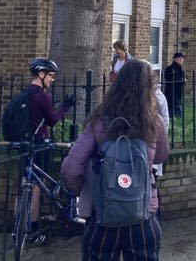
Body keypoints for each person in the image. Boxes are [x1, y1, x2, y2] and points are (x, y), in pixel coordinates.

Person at [60, 59, 169, 260]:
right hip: (143, 214)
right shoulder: (155, 122)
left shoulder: (99, 121)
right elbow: (161, 156)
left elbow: (70, 170)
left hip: (103, 216)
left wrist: (91, 189)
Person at [24, 58, 75, 241]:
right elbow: (52, 120)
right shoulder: (41, 96)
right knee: (37, 187)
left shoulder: (25, 94)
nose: (52, 79)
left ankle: (17, 229)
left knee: (24, 185)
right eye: (50, 76)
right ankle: (34, 230)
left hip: (25, 144)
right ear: (41, 74)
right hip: (40, 144)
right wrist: (65, 107)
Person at [163, 52, 185, 118]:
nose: (181, 60)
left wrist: (183, 80)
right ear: (175, 59)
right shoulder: (170, 68)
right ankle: (172, 117)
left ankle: (177, 118)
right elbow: (170, 79)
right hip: (171, 91)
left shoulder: (180, 68)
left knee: (177, 104)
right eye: (179, 59)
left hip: (178, 90)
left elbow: (181, 78)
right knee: (172, 105)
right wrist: (181, 80)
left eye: (182, 59)